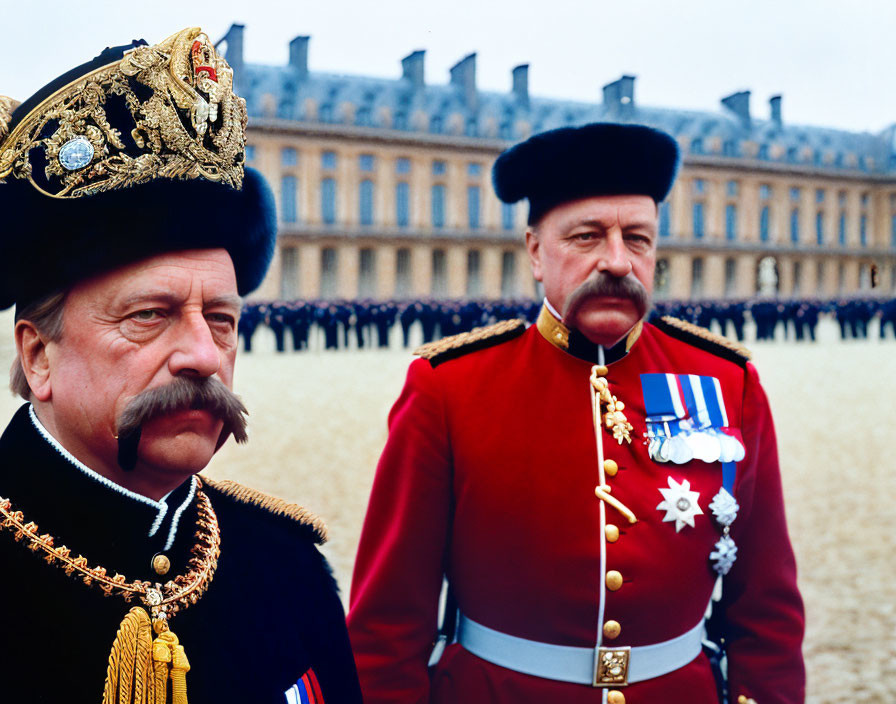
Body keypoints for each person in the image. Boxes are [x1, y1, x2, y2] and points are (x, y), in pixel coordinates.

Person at [348, 123, 804, 704]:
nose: (617, 261)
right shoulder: (450, 388)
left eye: (637, 239)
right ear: (536, 252)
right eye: (587, 237)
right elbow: (387, 625)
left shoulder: (726, 382)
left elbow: (766, 608)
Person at [0, 28, 361, 704]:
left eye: (221, 320)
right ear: (38, 355)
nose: (203, 356)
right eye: (149, 315)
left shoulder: (286, 565)